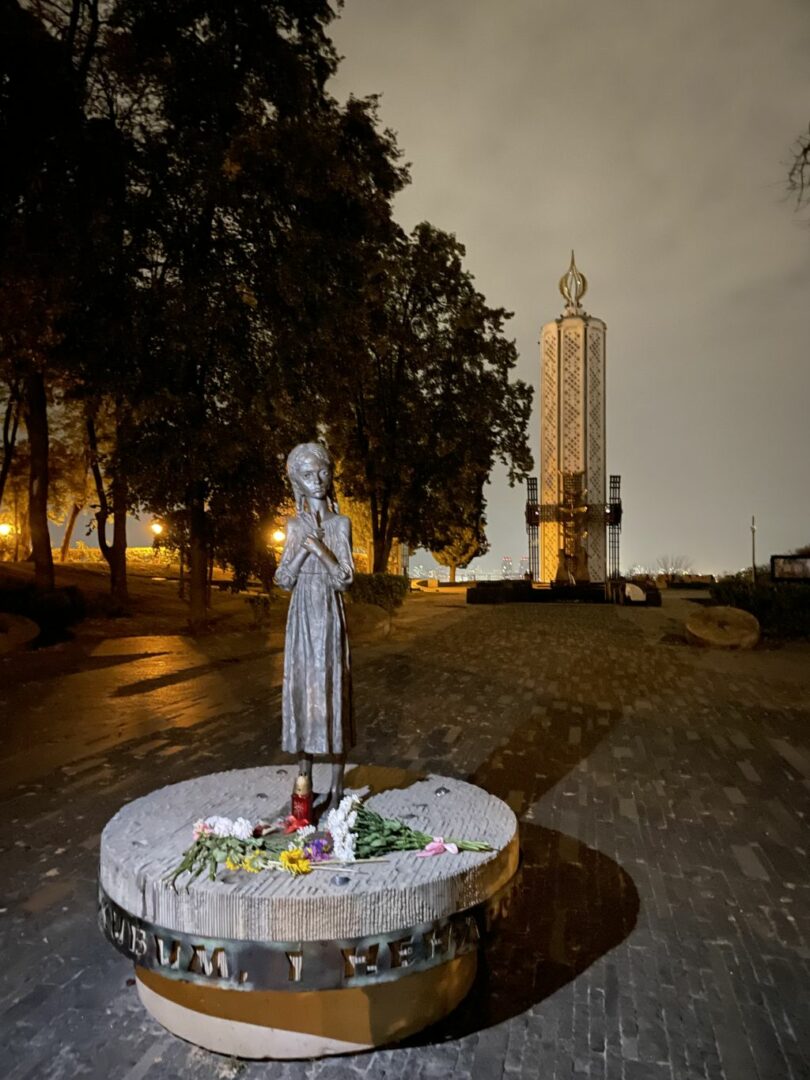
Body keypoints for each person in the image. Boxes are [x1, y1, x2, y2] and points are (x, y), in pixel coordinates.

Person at [275, 442, 354, 812]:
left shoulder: (341, 524)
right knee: (304, 690)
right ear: (297, 482)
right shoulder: (293, 526)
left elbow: (343, 578)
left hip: (328, 610)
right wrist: (305, 548)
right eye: (308, 475)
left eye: (322, 472)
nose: (317, 480)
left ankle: (337, 788)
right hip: (302, 616)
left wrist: (322, 551)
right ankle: (303, 787)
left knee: (332, 686)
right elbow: (283, 578)